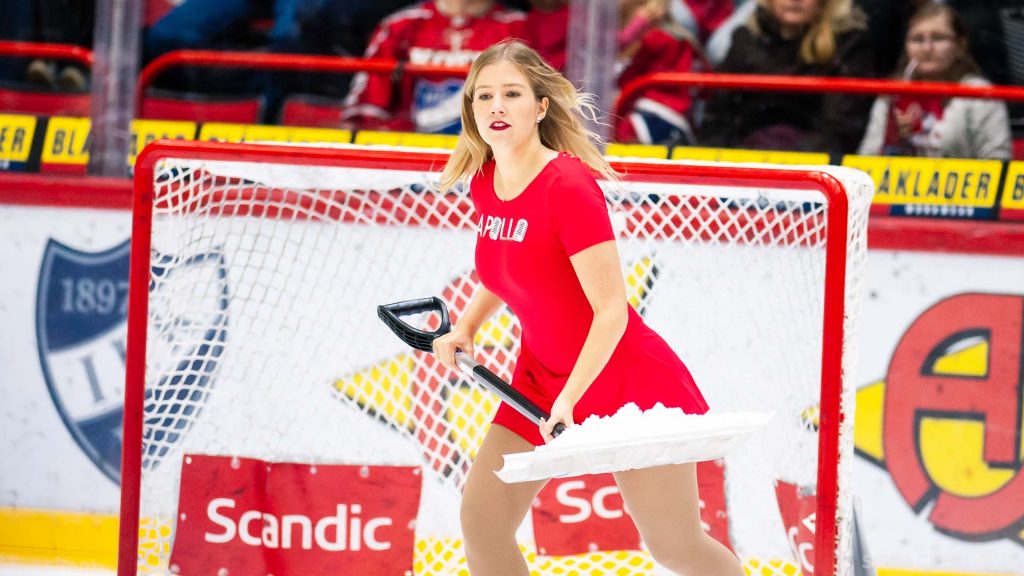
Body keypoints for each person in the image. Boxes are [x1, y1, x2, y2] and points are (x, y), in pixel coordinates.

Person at [433, 39, 743, 576]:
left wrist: (571, 399)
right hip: (541, 379)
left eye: (512, 94)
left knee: (675, 546)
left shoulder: (568, 186)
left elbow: (611, 311)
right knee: (482, 519)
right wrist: (467, 326)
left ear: (541, 106)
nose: (497, 106)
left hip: (625, 384)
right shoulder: (485, 181)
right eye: (484, 96)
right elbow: (506, 267)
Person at [698, 0, 875, 156]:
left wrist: (784, 166)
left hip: (812, 168)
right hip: (740, 161)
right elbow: (717, 117)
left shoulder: (850, 46)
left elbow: (841, 129)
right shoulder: (745, 39)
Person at [340, 1, 527, 134]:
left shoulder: (521, 27)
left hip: (491, 153)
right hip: (412, 151)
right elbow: (366, 109)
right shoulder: (401, 25)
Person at [858, 3, 1012, 159]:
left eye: (938, 38)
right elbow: (866, 157)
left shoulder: (980, 94)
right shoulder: (893, 93)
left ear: (960, 46)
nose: (927, 48)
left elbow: (998, 161)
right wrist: (892, 136)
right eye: (917, 39)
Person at [615, 0, 704, 145]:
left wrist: (635, 27)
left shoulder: (657, 38)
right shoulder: (678, 37)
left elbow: (623, 80)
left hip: (657, 116)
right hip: (674, 120)